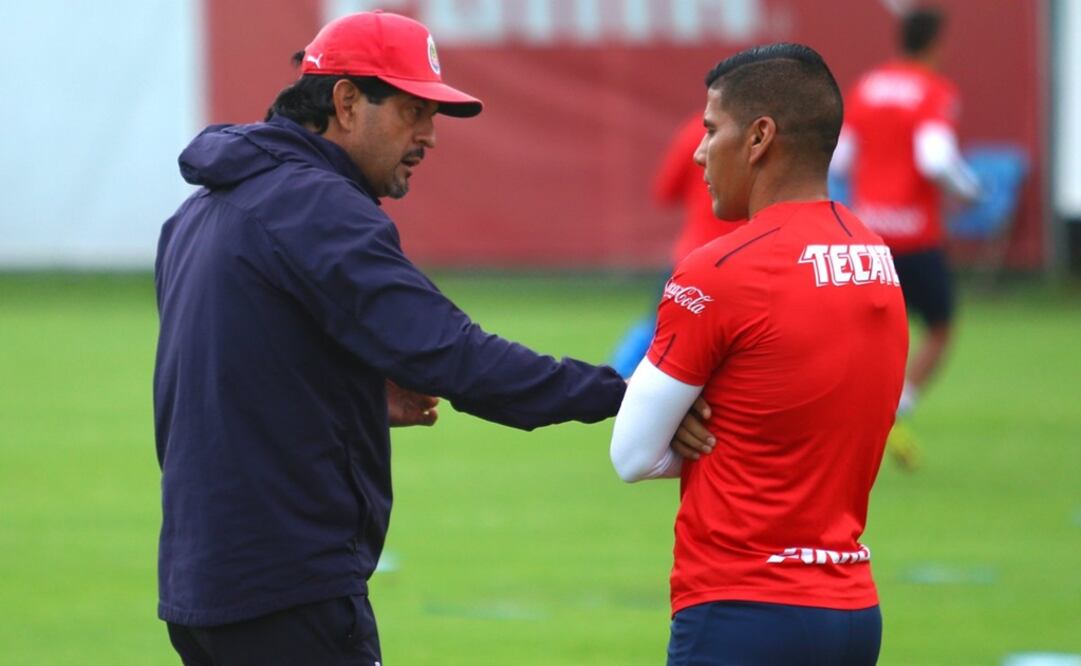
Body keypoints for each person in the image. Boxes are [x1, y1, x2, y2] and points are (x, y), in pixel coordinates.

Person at [153, 11, 710, 666]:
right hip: (289, 588)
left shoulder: (203, 208)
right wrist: (632, 394)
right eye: (413, 111)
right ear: (346, 101)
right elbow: (457, 357)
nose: (429, 136)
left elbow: (239, 367)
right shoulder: (319, 207)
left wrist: (352, 387)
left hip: (202, 587)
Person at [609, 43, 909, 665]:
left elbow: (632, 454)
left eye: (712, 129)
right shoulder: (878, 259)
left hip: (742, 609)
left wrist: (710, 433)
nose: (698, 150)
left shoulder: (716, 271)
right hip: (853, 611)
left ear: (759, 138)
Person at [830, 7, 981, 469]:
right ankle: (897, 409)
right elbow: (935, 159)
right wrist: (971, 192)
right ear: (936, 43)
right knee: (939, 328)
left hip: (868, 236)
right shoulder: (934, 91)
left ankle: (844, 415)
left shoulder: (868, 87)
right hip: (915, 237)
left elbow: (839, 160)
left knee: (858, 334)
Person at [609, 115, 744, 378]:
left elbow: (666, 192)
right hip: (749, 258)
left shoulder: (695, 131)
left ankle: (613, 382)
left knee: (657, 329)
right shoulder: (773, 134)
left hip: (693, 256)